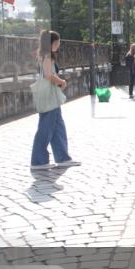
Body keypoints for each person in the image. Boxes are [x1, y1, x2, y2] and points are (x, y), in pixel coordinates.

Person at [31, 30, 81, 170]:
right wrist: (61, 82)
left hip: (49, 95)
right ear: (52, 42)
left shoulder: (44, 55)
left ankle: (63, 158)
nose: (59, 45)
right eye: (58, 42)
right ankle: (38, 161)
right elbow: (48, 75)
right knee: (46, 128)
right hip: (49, 96)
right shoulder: (47, 56)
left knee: (58, 126)